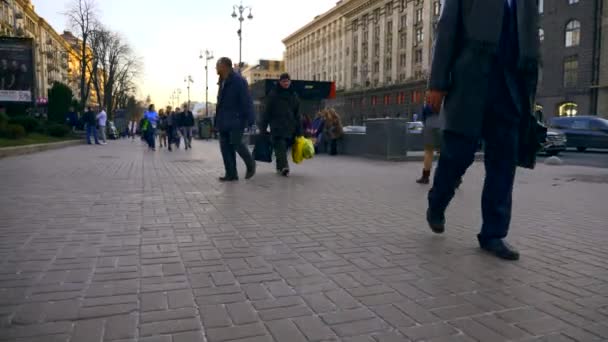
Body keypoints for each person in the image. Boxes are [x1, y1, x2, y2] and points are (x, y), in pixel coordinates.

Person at [425, 0, 541, 260]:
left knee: (503, 165)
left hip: (511, 89)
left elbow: (532, 41)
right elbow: (447, 30)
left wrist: (529, 94)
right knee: (457, 156)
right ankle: (437, 201)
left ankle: (494, 234)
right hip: (470, 85)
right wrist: (438, 82)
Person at [215, 57, 256, 182]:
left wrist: (250, 120)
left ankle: (251, 164)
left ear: (225, 66)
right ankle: (231, 174)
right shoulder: (222, 81)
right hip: (223, 121)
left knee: (237, 143)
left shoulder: (238, 81)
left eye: (217, 65)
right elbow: (220, 104)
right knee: (225, 148)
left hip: (236, 120)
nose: (216, 68)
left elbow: (247, 101)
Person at [259, 73, 301, 176]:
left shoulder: (294, 95)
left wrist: (299, 130)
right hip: (276, 126)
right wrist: (263, 127)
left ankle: (279, 166)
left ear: (290, 82)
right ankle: (284, 167)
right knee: (280, 145)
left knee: (283, 148)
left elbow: (297, 114)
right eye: (283, 81)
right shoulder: (273, 94)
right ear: (280, 82)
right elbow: (266, 112)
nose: (286, 83)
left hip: (289, 127)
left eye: (287, 81)